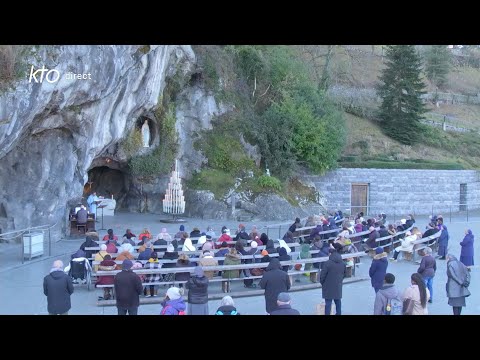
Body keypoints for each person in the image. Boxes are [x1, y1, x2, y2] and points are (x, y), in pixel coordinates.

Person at [319, 242, 346, 315]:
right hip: (338, 285)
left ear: (331, 254)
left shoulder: (327, 263)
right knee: (338, 302)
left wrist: (323, 283)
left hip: (328, 286)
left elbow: (322, 276)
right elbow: (344, 274)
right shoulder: (343, 263)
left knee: (328, 304)